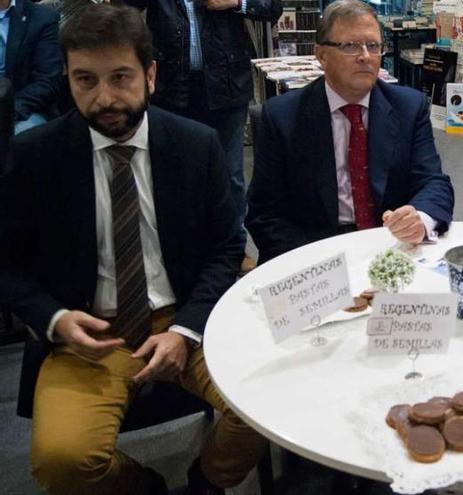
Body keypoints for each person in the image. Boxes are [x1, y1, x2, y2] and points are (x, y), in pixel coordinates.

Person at [0, 5, 265, 494]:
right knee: (62, 461)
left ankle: (206, 483)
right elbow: (7, 264)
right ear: (68, 79)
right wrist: (55, 318)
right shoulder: (36, 155)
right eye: (86, 80)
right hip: (89, 333)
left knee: (268, 405)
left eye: (120, 77)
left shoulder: (194, 144)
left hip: (185, 317)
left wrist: (186, 329)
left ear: (151, 75)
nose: (105, 98)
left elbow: (226, 246)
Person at [246, 0, 454, 263]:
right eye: (350, 45)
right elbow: (264, 213)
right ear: (321, 55)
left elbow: (433, 182)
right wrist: (323, 264)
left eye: (373, 45)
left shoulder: (408, 107)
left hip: (391, 245)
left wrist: (419, 220)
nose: (365, 56)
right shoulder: (282, 116)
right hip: (316, 252)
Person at [122, 0, 283, 271]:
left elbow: (271, 6)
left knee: (230, 173)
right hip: (171, 86)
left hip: (226, 81)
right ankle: (181, 250)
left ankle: (235, 248)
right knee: (172, 173)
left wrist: (235, 2)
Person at [1, 0, 63, 134]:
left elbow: (47, 82)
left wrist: (7, 111)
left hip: (22, 109)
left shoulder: (41, 18)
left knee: (22, 140)